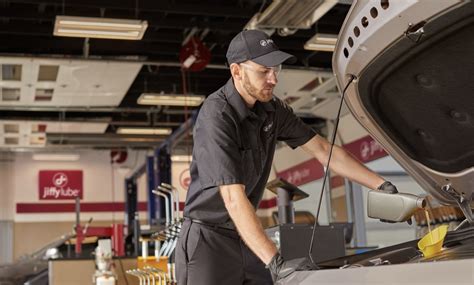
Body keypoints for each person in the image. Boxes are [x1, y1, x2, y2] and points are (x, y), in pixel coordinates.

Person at [175, 29, 399, 285]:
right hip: (208, 241)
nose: (273, 79)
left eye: (276, 69)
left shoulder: (273, 110)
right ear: (237, 71)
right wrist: (275, 262)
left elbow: (324, 151)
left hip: (246, 236)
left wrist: (382, 185)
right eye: (263, 71)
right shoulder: (217, 116)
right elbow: (233, 199)